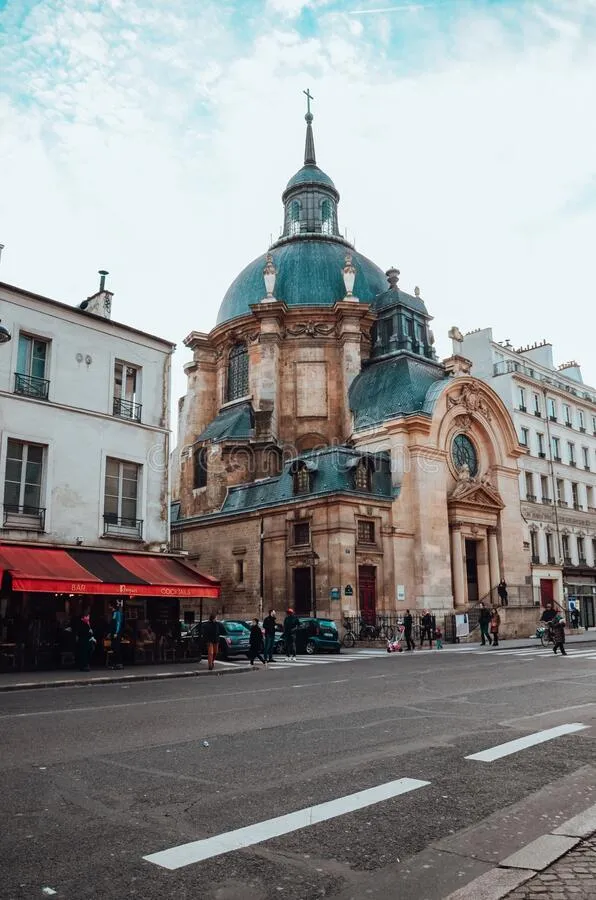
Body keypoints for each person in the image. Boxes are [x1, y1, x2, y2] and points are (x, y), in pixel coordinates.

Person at [109, 600, 124, 669]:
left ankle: (118, 663)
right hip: (113, 634)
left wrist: (116, 633)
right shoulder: (113, 613)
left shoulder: (117, 613)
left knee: (116, 648)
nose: (108, 606)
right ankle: (114, 663)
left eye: (109, 605)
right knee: (113, 648)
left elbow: (118, 623)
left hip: (116, 634)